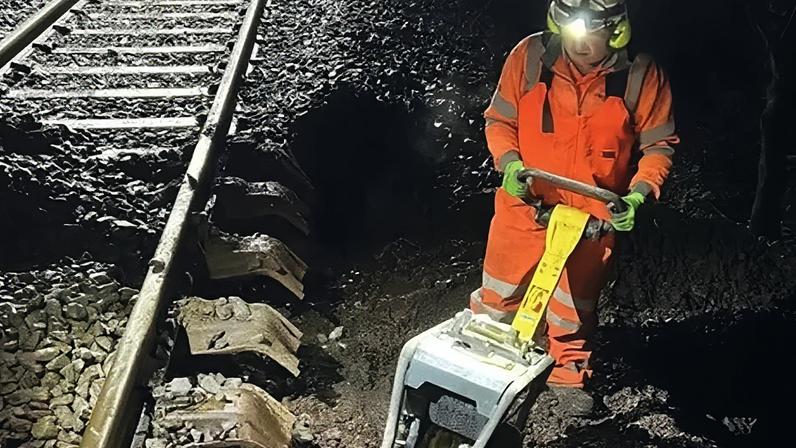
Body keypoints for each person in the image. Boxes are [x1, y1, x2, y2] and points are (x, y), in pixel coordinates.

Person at [470, 0, 679, 413]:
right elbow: (500, 120)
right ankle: (480, 361)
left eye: (590, 38)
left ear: (616, 31)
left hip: (592, 219)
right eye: (571, 36)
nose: (578, 47)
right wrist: (509, 164)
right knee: (498, 292)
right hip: (525, 203)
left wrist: (638, 194)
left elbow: (659, 146)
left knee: (574, 304)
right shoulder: (530, 57)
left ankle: (567, 375)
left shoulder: (640, 75)